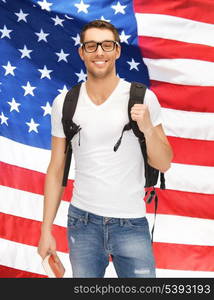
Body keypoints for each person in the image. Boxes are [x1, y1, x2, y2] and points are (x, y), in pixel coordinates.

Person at [38, 20, 173, 278]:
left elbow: (164, 162)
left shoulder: (143, 98)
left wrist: (146, 127)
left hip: (131, 224)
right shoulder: (64, 103)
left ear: (117, 50)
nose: (99, 52)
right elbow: (56, 170)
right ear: (82, 52)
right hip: (82, 224)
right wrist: (46, 231)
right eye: (91, 45)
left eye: (106, 45)